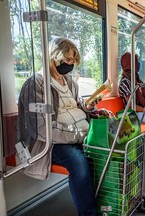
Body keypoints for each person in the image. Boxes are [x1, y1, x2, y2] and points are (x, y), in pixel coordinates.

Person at [17, 37, 97, 215]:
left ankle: (106, 204)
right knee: (79, 164)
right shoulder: (36, 85)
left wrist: (90, 108)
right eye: (68, 59)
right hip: (51, 143)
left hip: (79, 135)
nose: (71, 64)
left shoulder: (68, 82)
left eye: (73, 61)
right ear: (54, 56)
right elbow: (42, 129)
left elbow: (77, 104)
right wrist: (79, 135)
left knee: (103, 154)